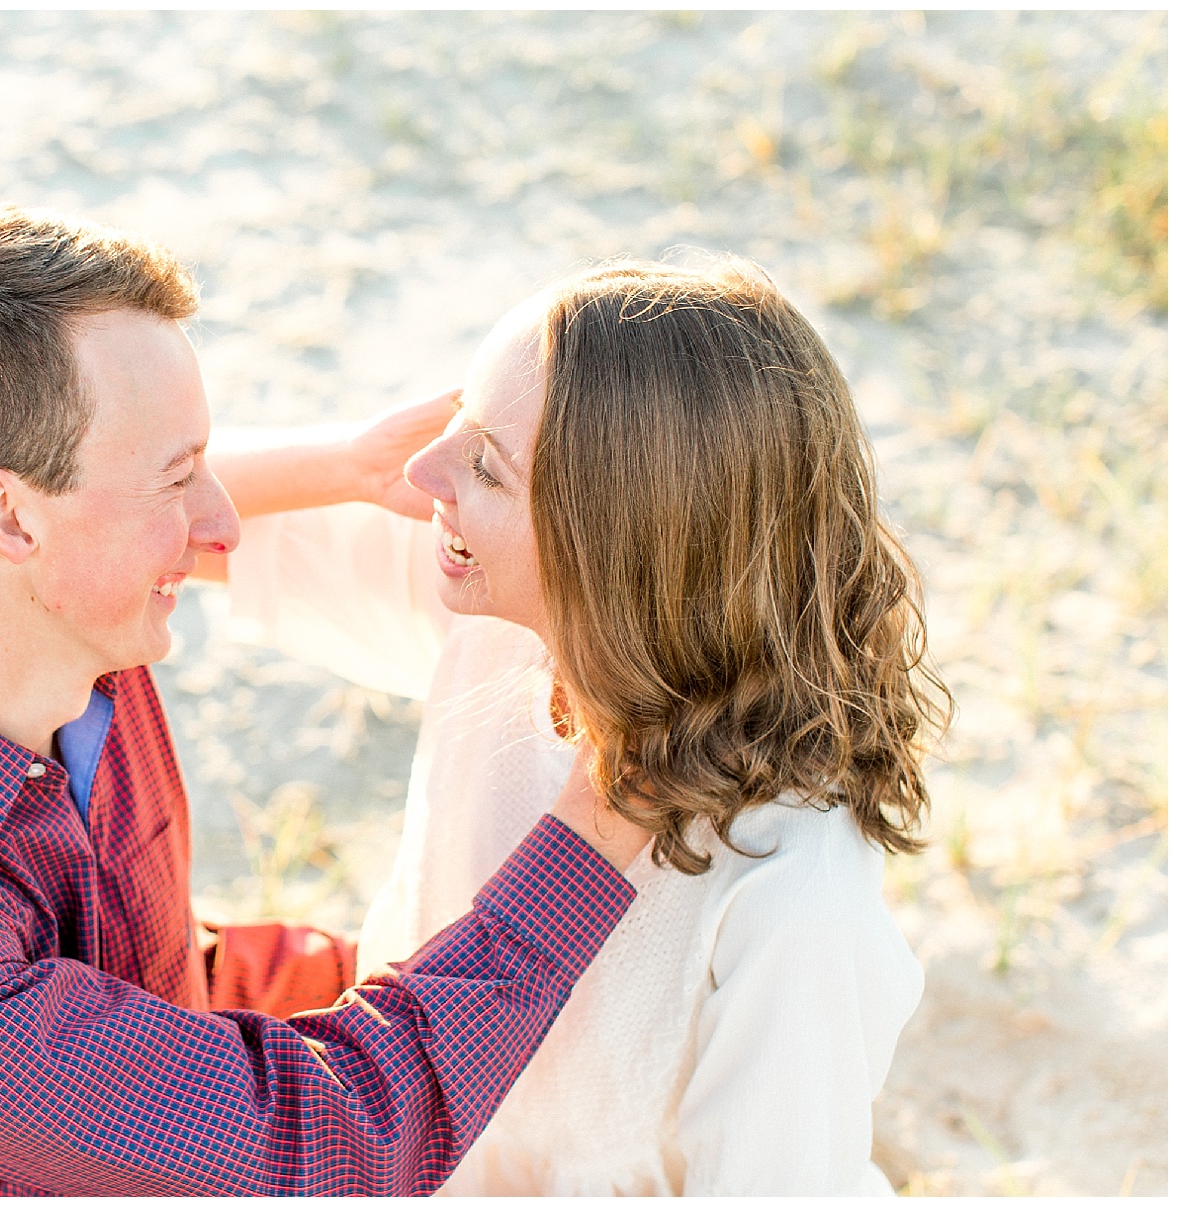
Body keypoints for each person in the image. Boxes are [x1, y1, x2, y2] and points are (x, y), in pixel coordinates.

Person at [0, 188, 641, 1197]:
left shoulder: (74, 641)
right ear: (6, 515)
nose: (224, 525)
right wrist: (615, 792)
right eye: (177, 476)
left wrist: (348, 464)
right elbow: (320, 1143)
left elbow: (156, 976)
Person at [202, 257, 950, 1195]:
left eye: (483, 465)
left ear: (611, 548)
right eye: (453, 427)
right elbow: (152, 518)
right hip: (397, 1134)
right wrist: (344, 461)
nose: (419, 472)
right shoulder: (504, 618)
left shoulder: (792, 887)